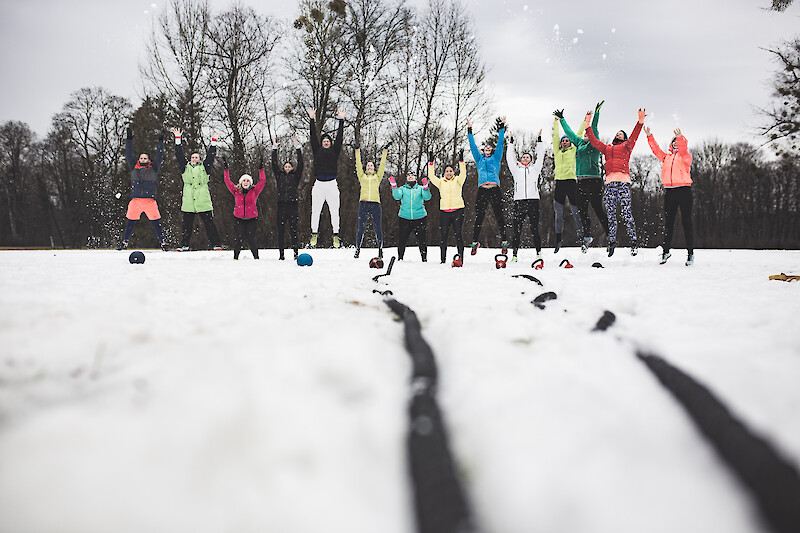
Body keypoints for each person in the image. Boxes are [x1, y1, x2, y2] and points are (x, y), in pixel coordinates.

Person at [585, 108, 646, 257]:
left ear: (624, 138)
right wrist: (587, 124)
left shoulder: (627, 147)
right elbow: (593, 141)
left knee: (626, 214)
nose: (618, 134)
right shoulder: (607, 149)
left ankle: (634, 242)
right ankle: (612, 241)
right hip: (610, 185)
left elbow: (634, 136)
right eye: (617, 133)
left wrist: (640, 121)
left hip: (623, 184)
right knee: (611, 214)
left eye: (621, 133)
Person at [560, 101, 609, 250]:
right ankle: (587, 236)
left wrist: (596, 114)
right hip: (580, 181)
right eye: (586, 134)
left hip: (594, 181)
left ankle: (609, 233)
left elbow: (594, 127)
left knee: (598, 209)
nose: (587, 135)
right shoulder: (580, 143)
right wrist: (562, 119)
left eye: (590, 134)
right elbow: (569, 133)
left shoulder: (595, 145)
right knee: (582, 210)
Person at [645, 126, 695, 266]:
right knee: (669, 224)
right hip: (670, 192)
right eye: (673, 141)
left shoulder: (686, 156)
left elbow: (684, 152)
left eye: (677, 142)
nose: (675, 143)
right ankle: (666, 251)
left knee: (686, 222)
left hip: (684, 191)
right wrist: (650, 136)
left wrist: (680, 138)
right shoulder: (667, 157)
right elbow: (656, 150)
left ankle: (690, 253)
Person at [171, 128, 222, 251]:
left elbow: (210, 156)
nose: (194, 158)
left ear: (200, 159)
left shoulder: (205, 168)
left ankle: (216, 244)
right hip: (189, 198)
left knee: (209, 223)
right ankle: (184, 245)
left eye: (197, 157)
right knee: (186, 225)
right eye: (192, 157)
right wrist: (177, 139)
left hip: (202, 198)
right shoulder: (185, 167)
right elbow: (179, 155)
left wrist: (213, 142)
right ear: (190, 159)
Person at [118, 126, 168, 251]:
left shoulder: (154, 168)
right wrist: (129, 139)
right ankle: (124, 243)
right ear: (139, 159)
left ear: (149, 160)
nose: (143, 159)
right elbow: (129, 154)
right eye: (141, 158)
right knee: (130, 223)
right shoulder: (134, 166)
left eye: (145, 158)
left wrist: (161, 141)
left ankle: (163, 243)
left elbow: (159, 156)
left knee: (157, 223)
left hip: (150, 201)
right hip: (135, 201)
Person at [308, 108, 345, 248]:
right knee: (315, 210)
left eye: (327, 140)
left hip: (331, 184)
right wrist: (312, 119)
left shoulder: (334, 152)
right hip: (319, 184)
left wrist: (341, 121)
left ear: (330, 143)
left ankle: (336, 235)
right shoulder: (317, 150)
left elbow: (340, 138)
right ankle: (314, 234)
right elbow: (312, 137)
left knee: (334, 211)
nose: (325, 142)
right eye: (323, 140)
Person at [506, 129, 545, 261]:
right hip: (519, 201)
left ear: (531, 159)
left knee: (534, 229)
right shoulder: (516, 170)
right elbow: (509, 158)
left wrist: (539, 141)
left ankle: (539, 253)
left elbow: (541, 156)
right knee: (517, 229)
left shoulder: (535, 169)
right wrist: (511, 142)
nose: (525, 158)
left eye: (527, 157)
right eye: (523, 157)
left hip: (533, 201)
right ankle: (515, 255)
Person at [551, 110, 586, 253]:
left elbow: (577, 135)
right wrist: (556, 123)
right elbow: (555, 137)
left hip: (571, 182)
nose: (564, 142)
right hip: (559, 183)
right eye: (563, 141)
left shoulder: (573, 151)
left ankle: (584, 238)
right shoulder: (557, 151)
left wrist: (585, 122)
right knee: (558, 213)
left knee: (575, 211)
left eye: (567, 141)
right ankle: (558, 239)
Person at [427, 149, 467, 264]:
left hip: (458, 211)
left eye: (450, 171)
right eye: (447, 171)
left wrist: (461, 161)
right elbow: (431, 175)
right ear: (444, 173)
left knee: (458, 234)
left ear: (453, 172)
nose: (449, 173)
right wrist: (431, 162)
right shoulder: (440, 182)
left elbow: (463, 173)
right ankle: (443, 259)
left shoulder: (458, 181)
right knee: (443, 235)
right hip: (445, 212)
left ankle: (460, 258)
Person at [223, 156, 266, 260]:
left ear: (250, 182)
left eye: (247, 181)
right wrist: (226, 169)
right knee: (239, 238)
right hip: (239, 219)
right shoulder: (236, 191)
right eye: (244, 181)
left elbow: (263, 181)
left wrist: (261, 169)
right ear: (241, 183)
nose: (246, 182)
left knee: (251, 239)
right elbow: (227, 180)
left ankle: (256, 258)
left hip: (252, 219)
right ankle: (235, 258)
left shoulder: (255, 191)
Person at [354, 142, 390, 258]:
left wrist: (384, 151)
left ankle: (380, 249)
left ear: (374, 168)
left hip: (375, 204)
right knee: (361, 228)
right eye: (368, 166)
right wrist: (357, 150)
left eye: (371, 166)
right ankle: (357, 249)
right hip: (363, 204)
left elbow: (383, 165)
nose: (369, 167)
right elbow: (358, 164)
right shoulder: (362, 176)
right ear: (366, 168)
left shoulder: (377, 177)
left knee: (377, 228)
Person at [272, 133, 303, 260]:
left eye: (289, 166)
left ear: (292, 168)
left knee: (293, 230)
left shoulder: (295, 176)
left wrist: (298, 148)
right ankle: (281, 255)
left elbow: (301, 163)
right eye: (285, 166)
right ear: (283, 168)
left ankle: (296, 253)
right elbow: (274, 164)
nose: (287, 168)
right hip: (281, 205)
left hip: (293, 205)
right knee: (281, 231)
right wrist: (274, 149)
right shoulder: (279, 175)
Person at [390, 172, 431, 261]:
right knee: (402, 239)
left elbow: (427, 197)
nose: (410, 176)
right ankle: (400, 258)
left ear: (416, 179)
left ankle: (424, 259)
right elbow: (396, 196)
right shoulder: (402, 189)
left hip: (420, 217)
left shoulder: (420, 189)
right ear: (406, 179)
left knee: (422, 240)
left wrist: (426, 188)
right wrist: (394, 186)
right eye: (408, 176)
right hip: (404, 218)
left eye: (412, 175)